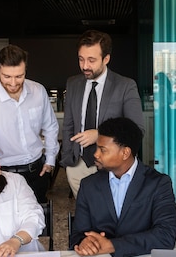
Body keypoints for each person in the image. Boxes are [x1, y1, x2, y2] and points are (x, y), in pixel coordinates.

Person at [70, 117, 176, 257]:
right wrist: (84, 242)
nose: (96, 154)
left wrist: (113, 245)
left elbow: (166, 236)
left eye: (103, 150)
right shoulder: (88, 185)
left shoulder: (158, 184)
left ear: (125, 153)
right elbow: (77, 235)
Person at [0, 45, 59, 203]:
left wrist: (50, 161)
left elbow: (50, 126)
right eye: (7, 77)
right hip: (2, 173)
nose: (13, 83)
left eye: (19, 76)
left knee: (39, 219)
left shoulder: (38, 91)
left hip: (37, 171)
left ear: (25, 70)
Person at [61, 30, 145, 198]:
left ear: (106, 59)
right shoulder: (73, 83)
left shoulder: (125, 86)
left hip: (113, 166)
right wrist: (67, 161)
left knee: (112, 215)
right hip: (78, 165)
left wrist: (99, 134)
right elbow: (68, 125)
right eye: (81, 59)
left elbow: (137, 129)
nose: (85, 66)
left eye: (91, 60)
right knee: (86, 214)